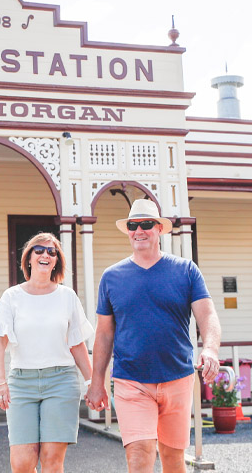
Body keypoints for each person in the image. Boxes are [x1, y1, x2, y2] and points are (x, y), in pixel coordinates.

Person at [85, 199, 221, 473]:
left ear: (159, 229)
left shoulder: (186, 271)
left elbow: (207, 316)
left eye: (146, 224)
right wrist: (96, 381)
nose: (139, 231)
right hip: (131, 381)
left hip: (177, 379)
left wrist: (210, 349)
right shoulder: (112, 277)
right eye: (133, 226)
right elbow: (103, 334)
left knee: (173, 460)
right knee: (140, 454)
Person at [0, 232, 94, 473]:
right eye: (39, 250)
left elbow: (76, 344)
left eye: (51, 251)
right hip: (21, 384)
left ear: (56, 260)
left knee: (52, 460)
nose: (45, 254)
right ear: (29, 258)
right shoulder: (11, 297)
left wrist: (90, 381)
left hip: (61, 381)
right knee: (22, 462)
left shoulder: (67, 297)